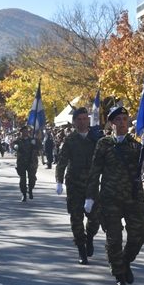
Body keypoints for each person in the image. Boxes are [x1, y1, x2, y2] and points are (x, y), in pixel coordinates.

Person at [85, 106, 144, 285]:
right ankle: (119, 278)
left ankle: (124, 262)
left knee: (138, 237)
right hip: (110, 199)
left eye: (125, 119)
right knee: (113, 240)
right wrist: (90, 197)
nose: (123, 122)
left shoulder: (136, 144)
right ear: (112, 123)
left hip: (133, 198)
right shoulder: (103, 144)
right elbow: (95, 171)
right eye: (119, 119)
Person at [55, 107, 101, 265]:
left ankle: (89, 237)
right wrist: (59, 181)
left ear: (88, 120)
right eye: (79, 119)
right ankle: (81, 249)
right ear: (74, 122)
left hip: (92, 184)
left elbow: (104, 159)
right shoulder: (70, 140)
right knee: (76, 219)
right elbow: (62, 162)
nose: (82, 122)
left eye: (84, 119)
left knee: (95, 219)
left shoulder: (96, 138)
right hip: (74, 184)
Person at [12, 126, 39, 202]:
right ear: (21, 132)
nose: (25, 133)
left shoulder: (32, 140)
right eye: (23, 131)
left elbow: (39, 147)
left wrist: (35, 143)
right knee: (22, 180)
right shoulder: (18, 140)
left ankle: (30, 190)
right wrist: (15, 146)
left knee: (32, 178)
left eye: (26, 131)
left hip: (31, 162)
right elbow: (12, 145)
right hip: (21, 163)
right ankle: (24, 194)